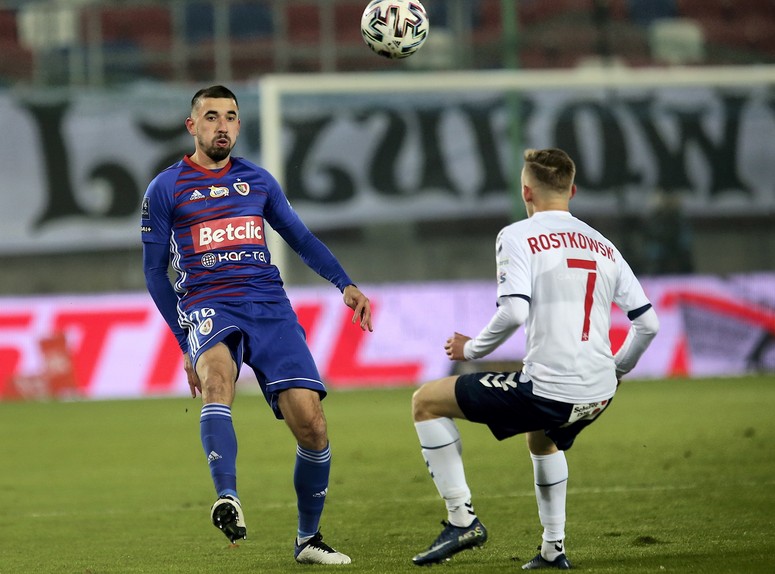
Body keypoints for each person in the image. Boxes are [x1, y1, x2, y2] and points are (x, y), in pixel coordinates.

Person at [141, 85, 372, 565]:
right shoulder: (166, 188)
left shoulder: (258, 181)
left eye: (230, 116)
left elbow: (299, 236)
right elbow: (154, 272)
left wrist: (344, 283)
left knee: (312, 425)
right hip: (208, 302)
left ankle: (308, 540)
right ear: (192, 126)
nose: (222, 126)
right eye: (211, 117)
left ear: (239, 125)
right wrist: (185, 342)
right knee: (217, 380)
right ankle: (227, 496)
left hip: (269, 305)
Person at [410, 148, 659, 569]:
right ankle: (552, 549)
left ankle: (461, 521)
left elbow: (514, 312)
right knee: (542, 437)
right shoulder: (604, 245)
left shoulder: (517, 235)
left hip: (552, 389)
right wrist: (617, 370)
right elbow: (648, 324)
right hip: (599, 392)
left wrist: (471, 349)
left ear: (526, 191)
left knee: (426, 402)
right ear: (572, 191)